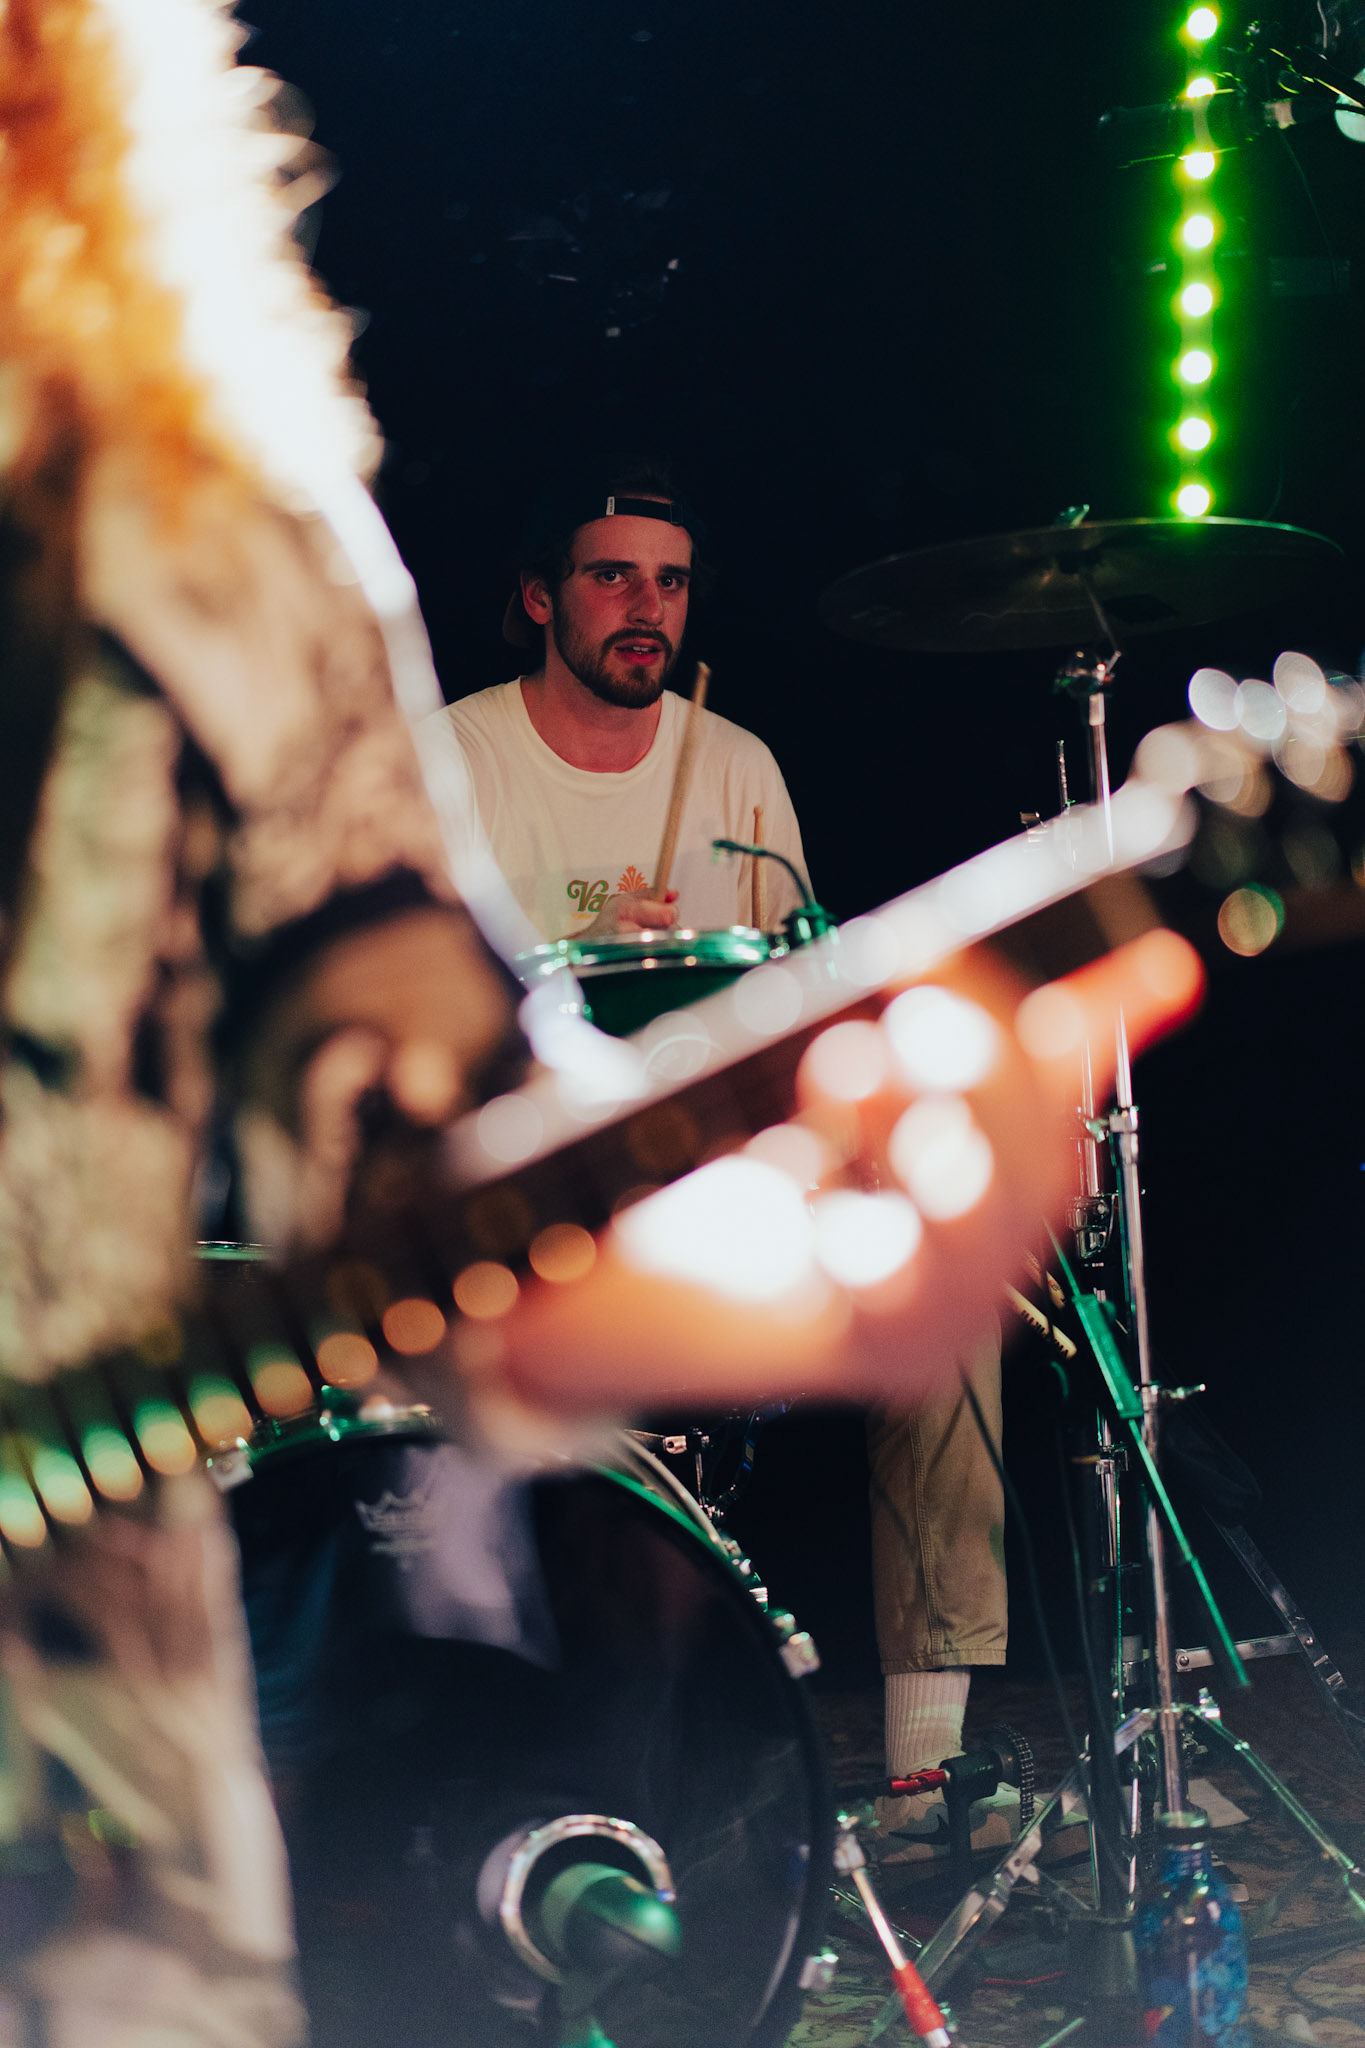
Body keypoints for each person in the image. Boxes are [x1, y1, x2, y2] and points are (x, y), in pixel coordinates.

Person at [417, 468, 809, 942]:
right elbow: (395, 983)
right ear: (539, 597)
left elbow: (797, 975)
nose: (651, 610)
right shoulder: (440, 764)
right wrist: (584, 956)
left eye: (670, 580)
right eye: (612, 576)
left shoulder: (741, 767)